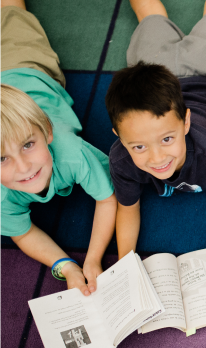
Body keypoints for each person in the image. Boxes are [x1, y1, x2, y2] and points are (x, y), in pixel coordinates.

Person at [106, 0, 206, 294]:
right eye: (138, 147)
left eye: (167, 139)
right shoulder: (120, 160)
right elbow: (127, 208)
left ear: (186, 123)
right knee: (148, 14)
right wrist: (127, 262)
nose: (157, 158)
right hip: (156, 62)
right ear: (118, 138)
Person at [0, 0, 117, 295]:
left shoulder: (72, 153)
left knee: (10, 12)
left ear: (48, 132)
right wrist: (65, 265)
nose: (24, 167)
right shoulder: (2, 195)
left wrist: (93, 259)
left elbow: (107, 196)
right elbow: (22, 232)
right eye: (2, 158)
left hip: (23, 62)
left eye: (28, 144)